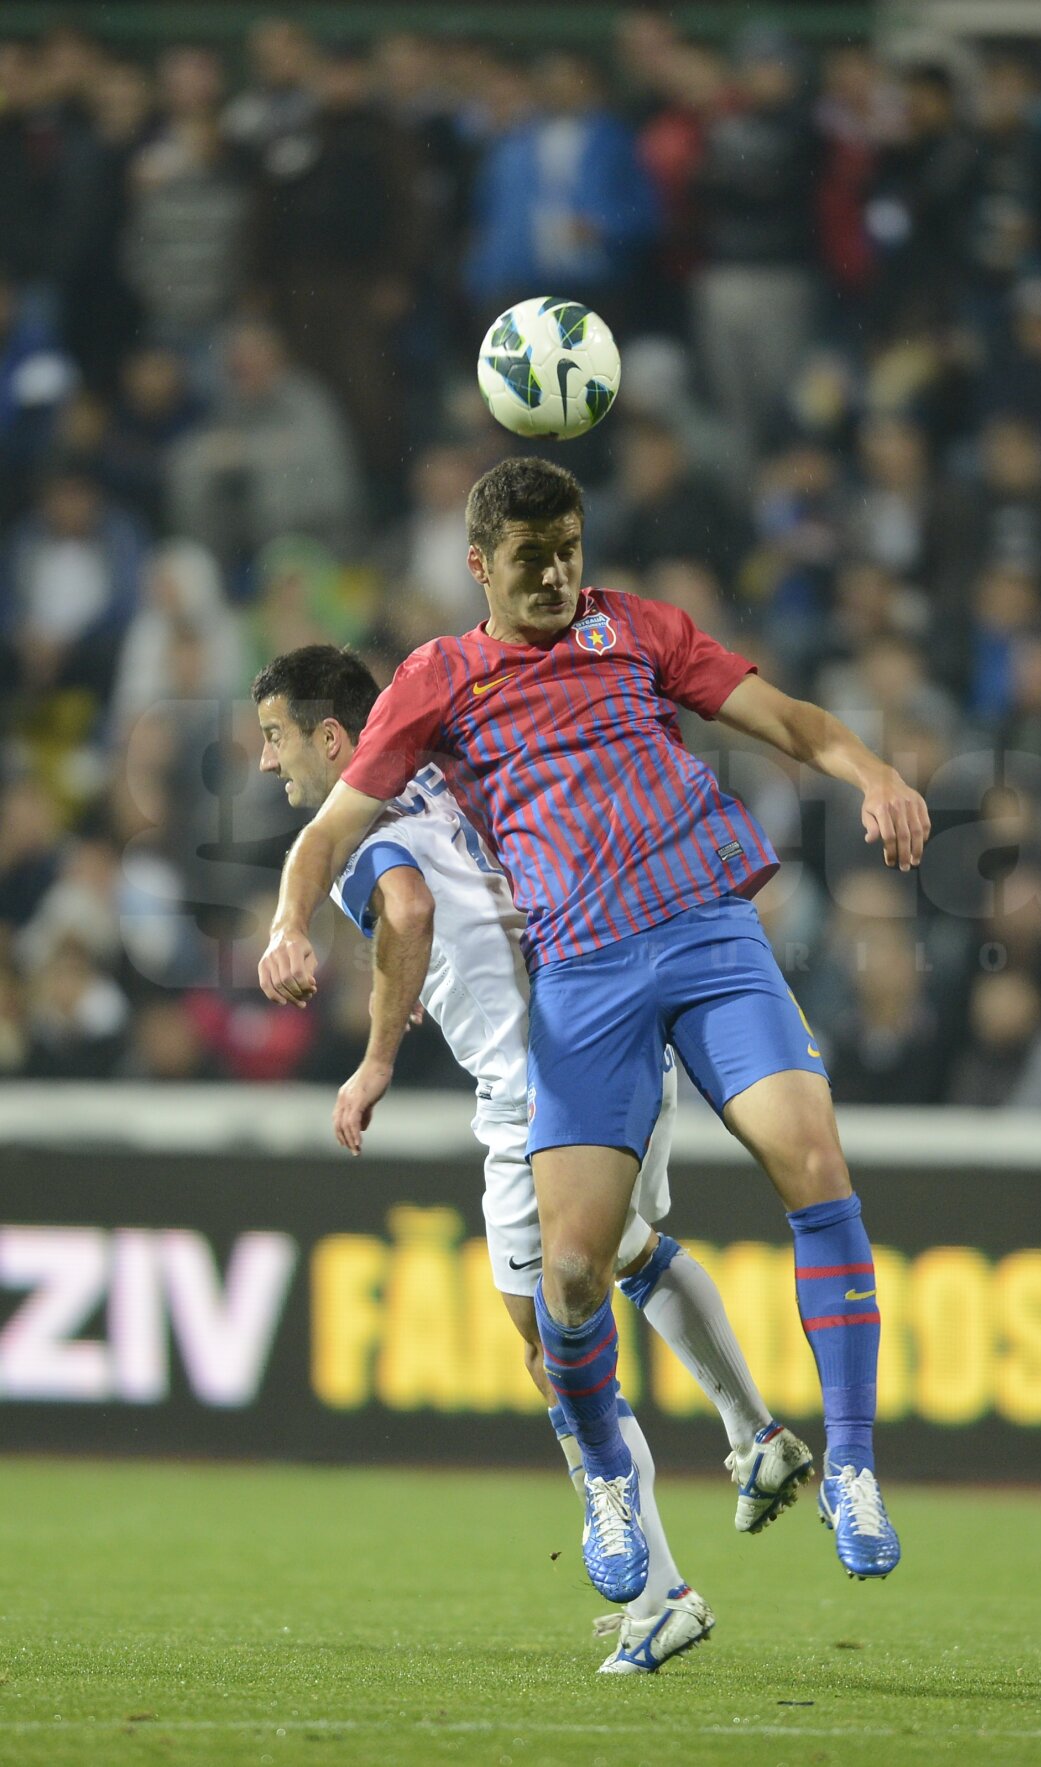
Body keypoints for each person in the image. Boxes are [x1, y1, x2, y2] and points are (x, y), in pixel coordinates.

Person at [258, 457, 930, 1603]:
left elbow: (792, 720)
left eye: (571, 547)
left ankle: (854, 1466)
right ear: (480, 566)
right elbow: (327, 835)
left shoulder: (640, 629)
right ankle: (614, 1484)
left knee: (817, 1166)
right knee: (573, 1271)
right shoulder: (439, 677)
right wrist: (287, 925)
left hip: (711, 934)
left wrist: (871, 771)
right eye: (532, 558)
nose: (559, 572)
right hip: (583, 976)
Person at [252, 642, 811, 1673]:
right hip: (623, 1029)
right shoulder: (458, 759)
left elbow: (410, 909)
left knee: (549, 1342)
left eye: (275, 737)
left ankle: (657, 1594)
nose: (265, 762)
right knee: (628, 1247)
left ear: (334, 738)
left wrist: (375, 1060)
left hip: (537, 1084)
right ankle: (755, 1432)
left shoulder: (366, 822)